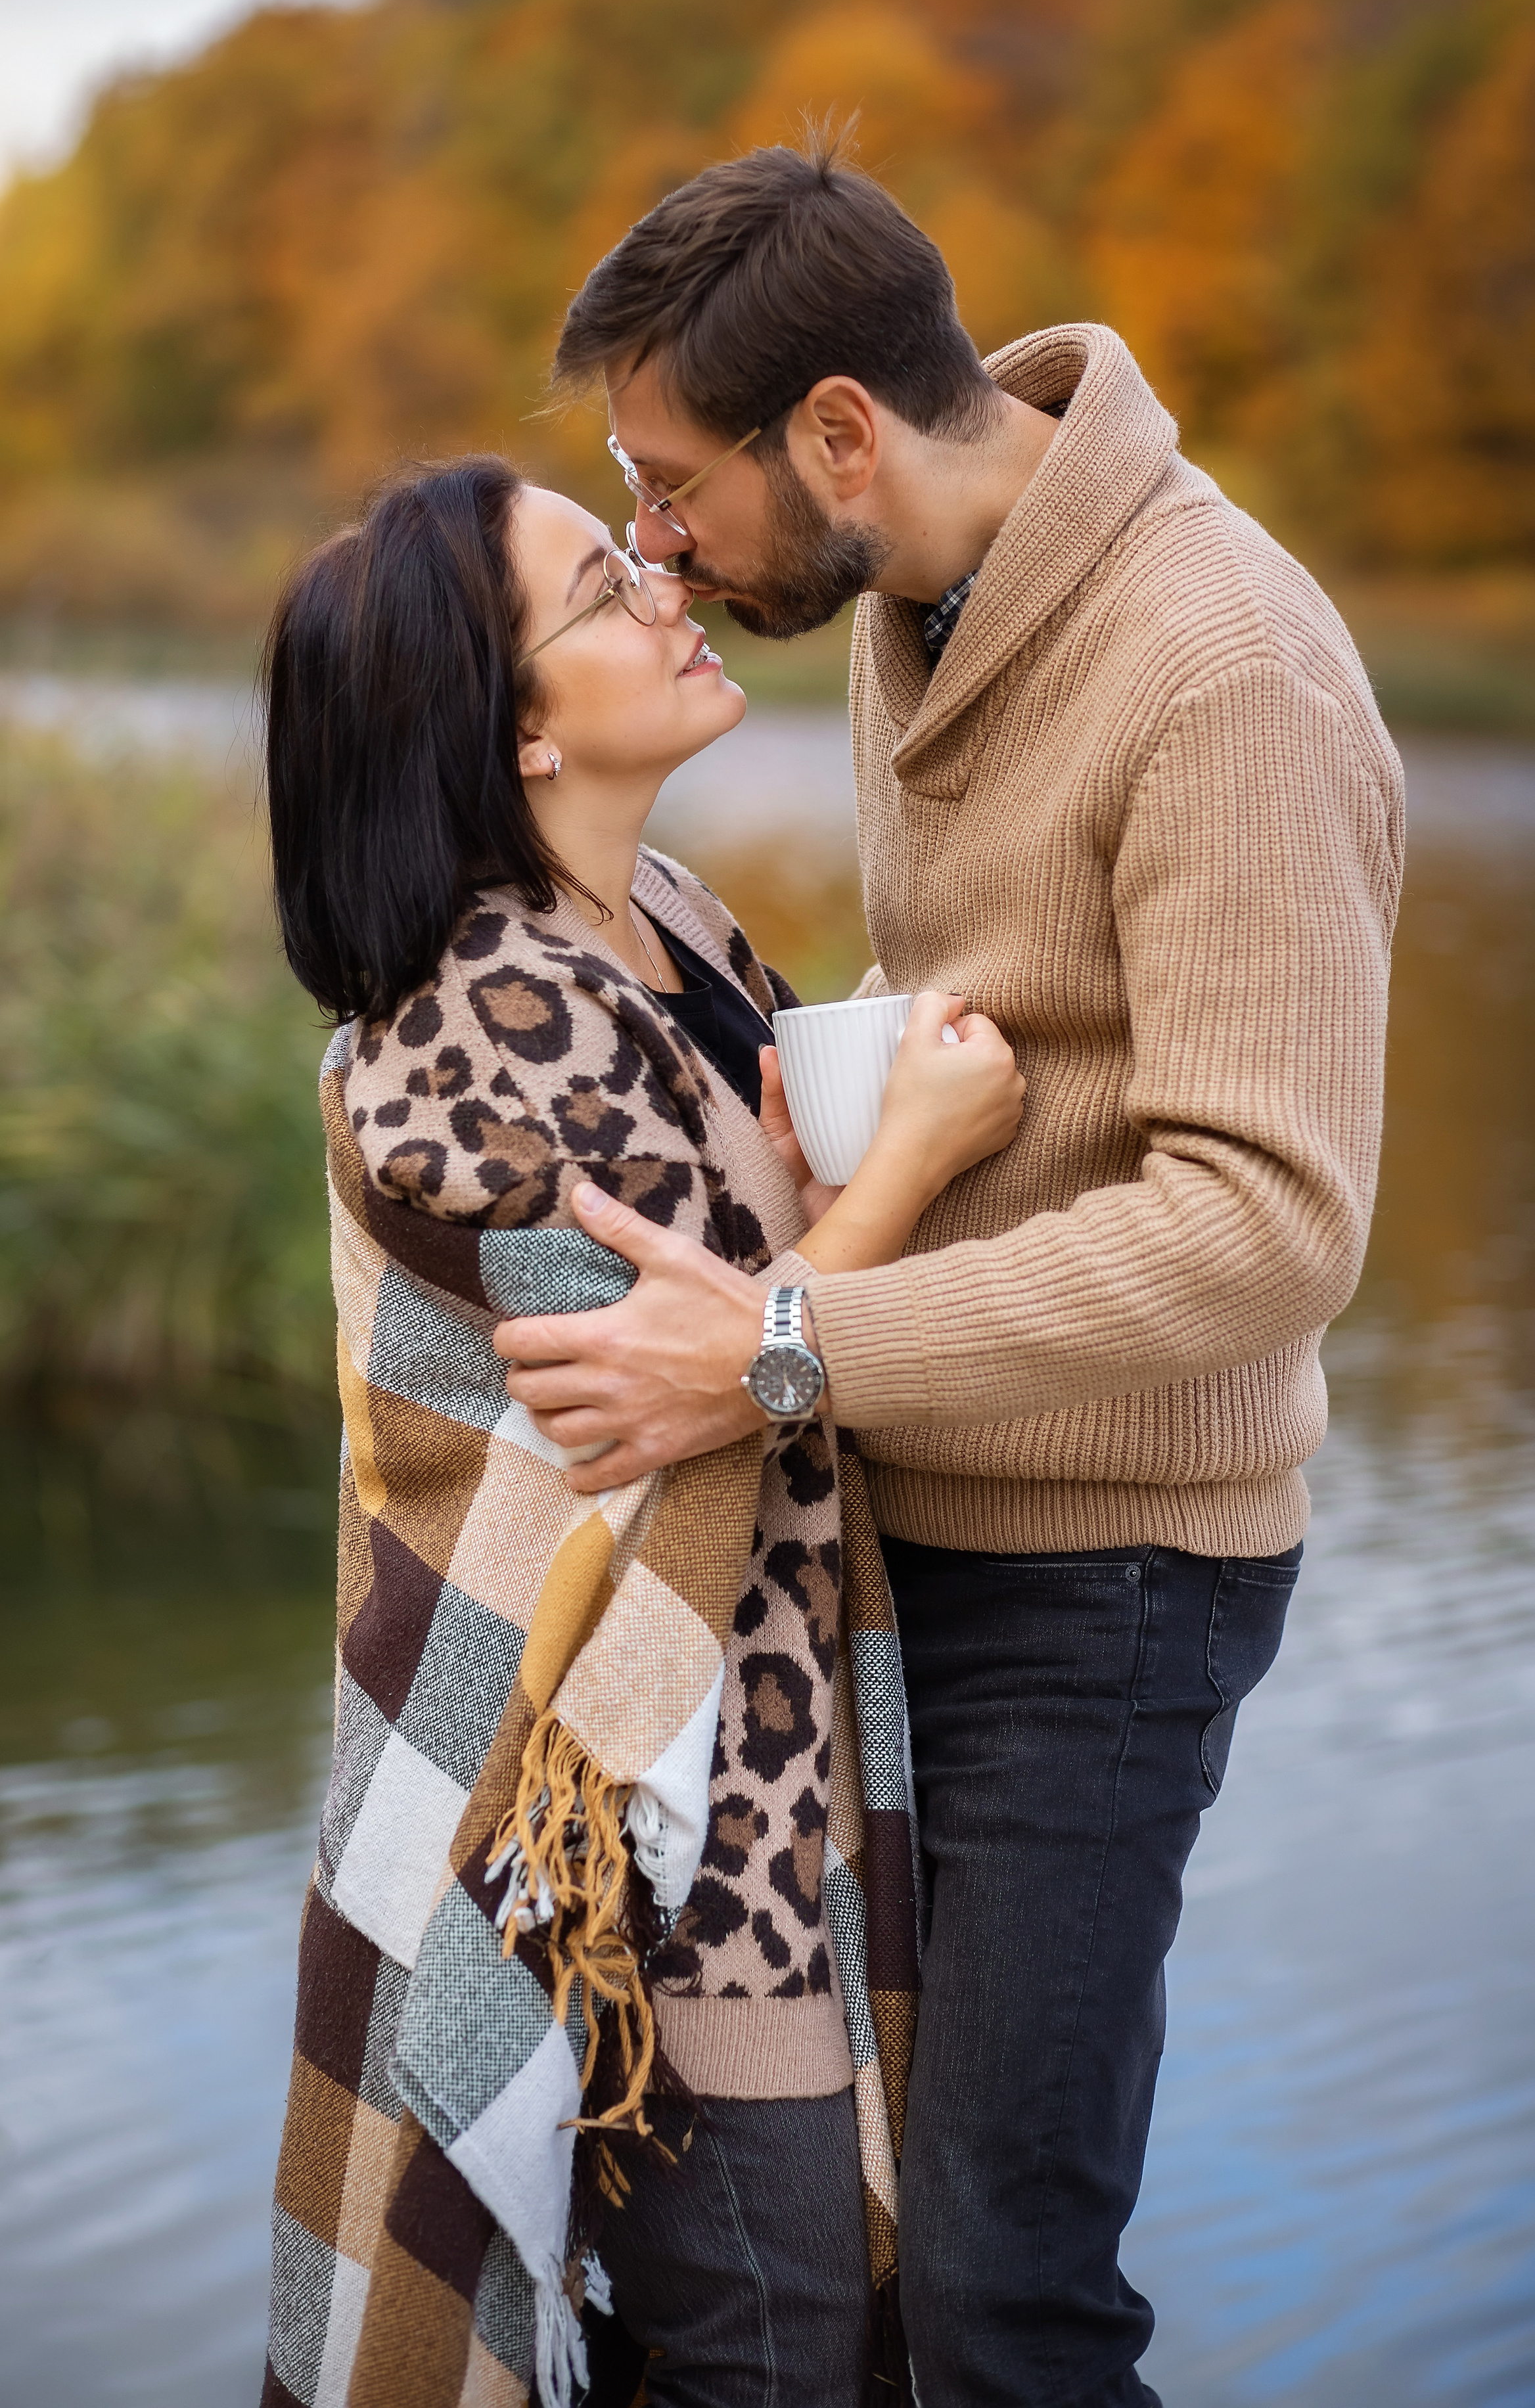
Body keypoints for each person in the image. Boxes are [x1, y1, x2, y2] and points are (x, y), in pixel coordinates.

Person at [493, 138, 1406, 2405]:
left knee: (1012, 2293)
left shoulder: (1225, 669)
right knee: (884, 2261)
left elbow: (1272, 1221)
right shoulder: (917, 604)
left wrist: (794, 1335)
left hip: (1117, 1580)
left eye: (670, 479)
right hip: (912, 1541)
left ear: (837, 432)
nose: (660, 540)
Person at [256, 453, 1024, 2408]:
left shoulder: (648, 915)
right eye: (609, 584)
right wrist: (910, 1158)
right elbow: (696, 1399)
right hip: (650, 1858)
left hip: (766, 1788)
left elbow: (741, 1289)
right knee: (774, 2354)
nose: (670, 581)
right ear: (516, 727)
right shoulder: (472, 1016)